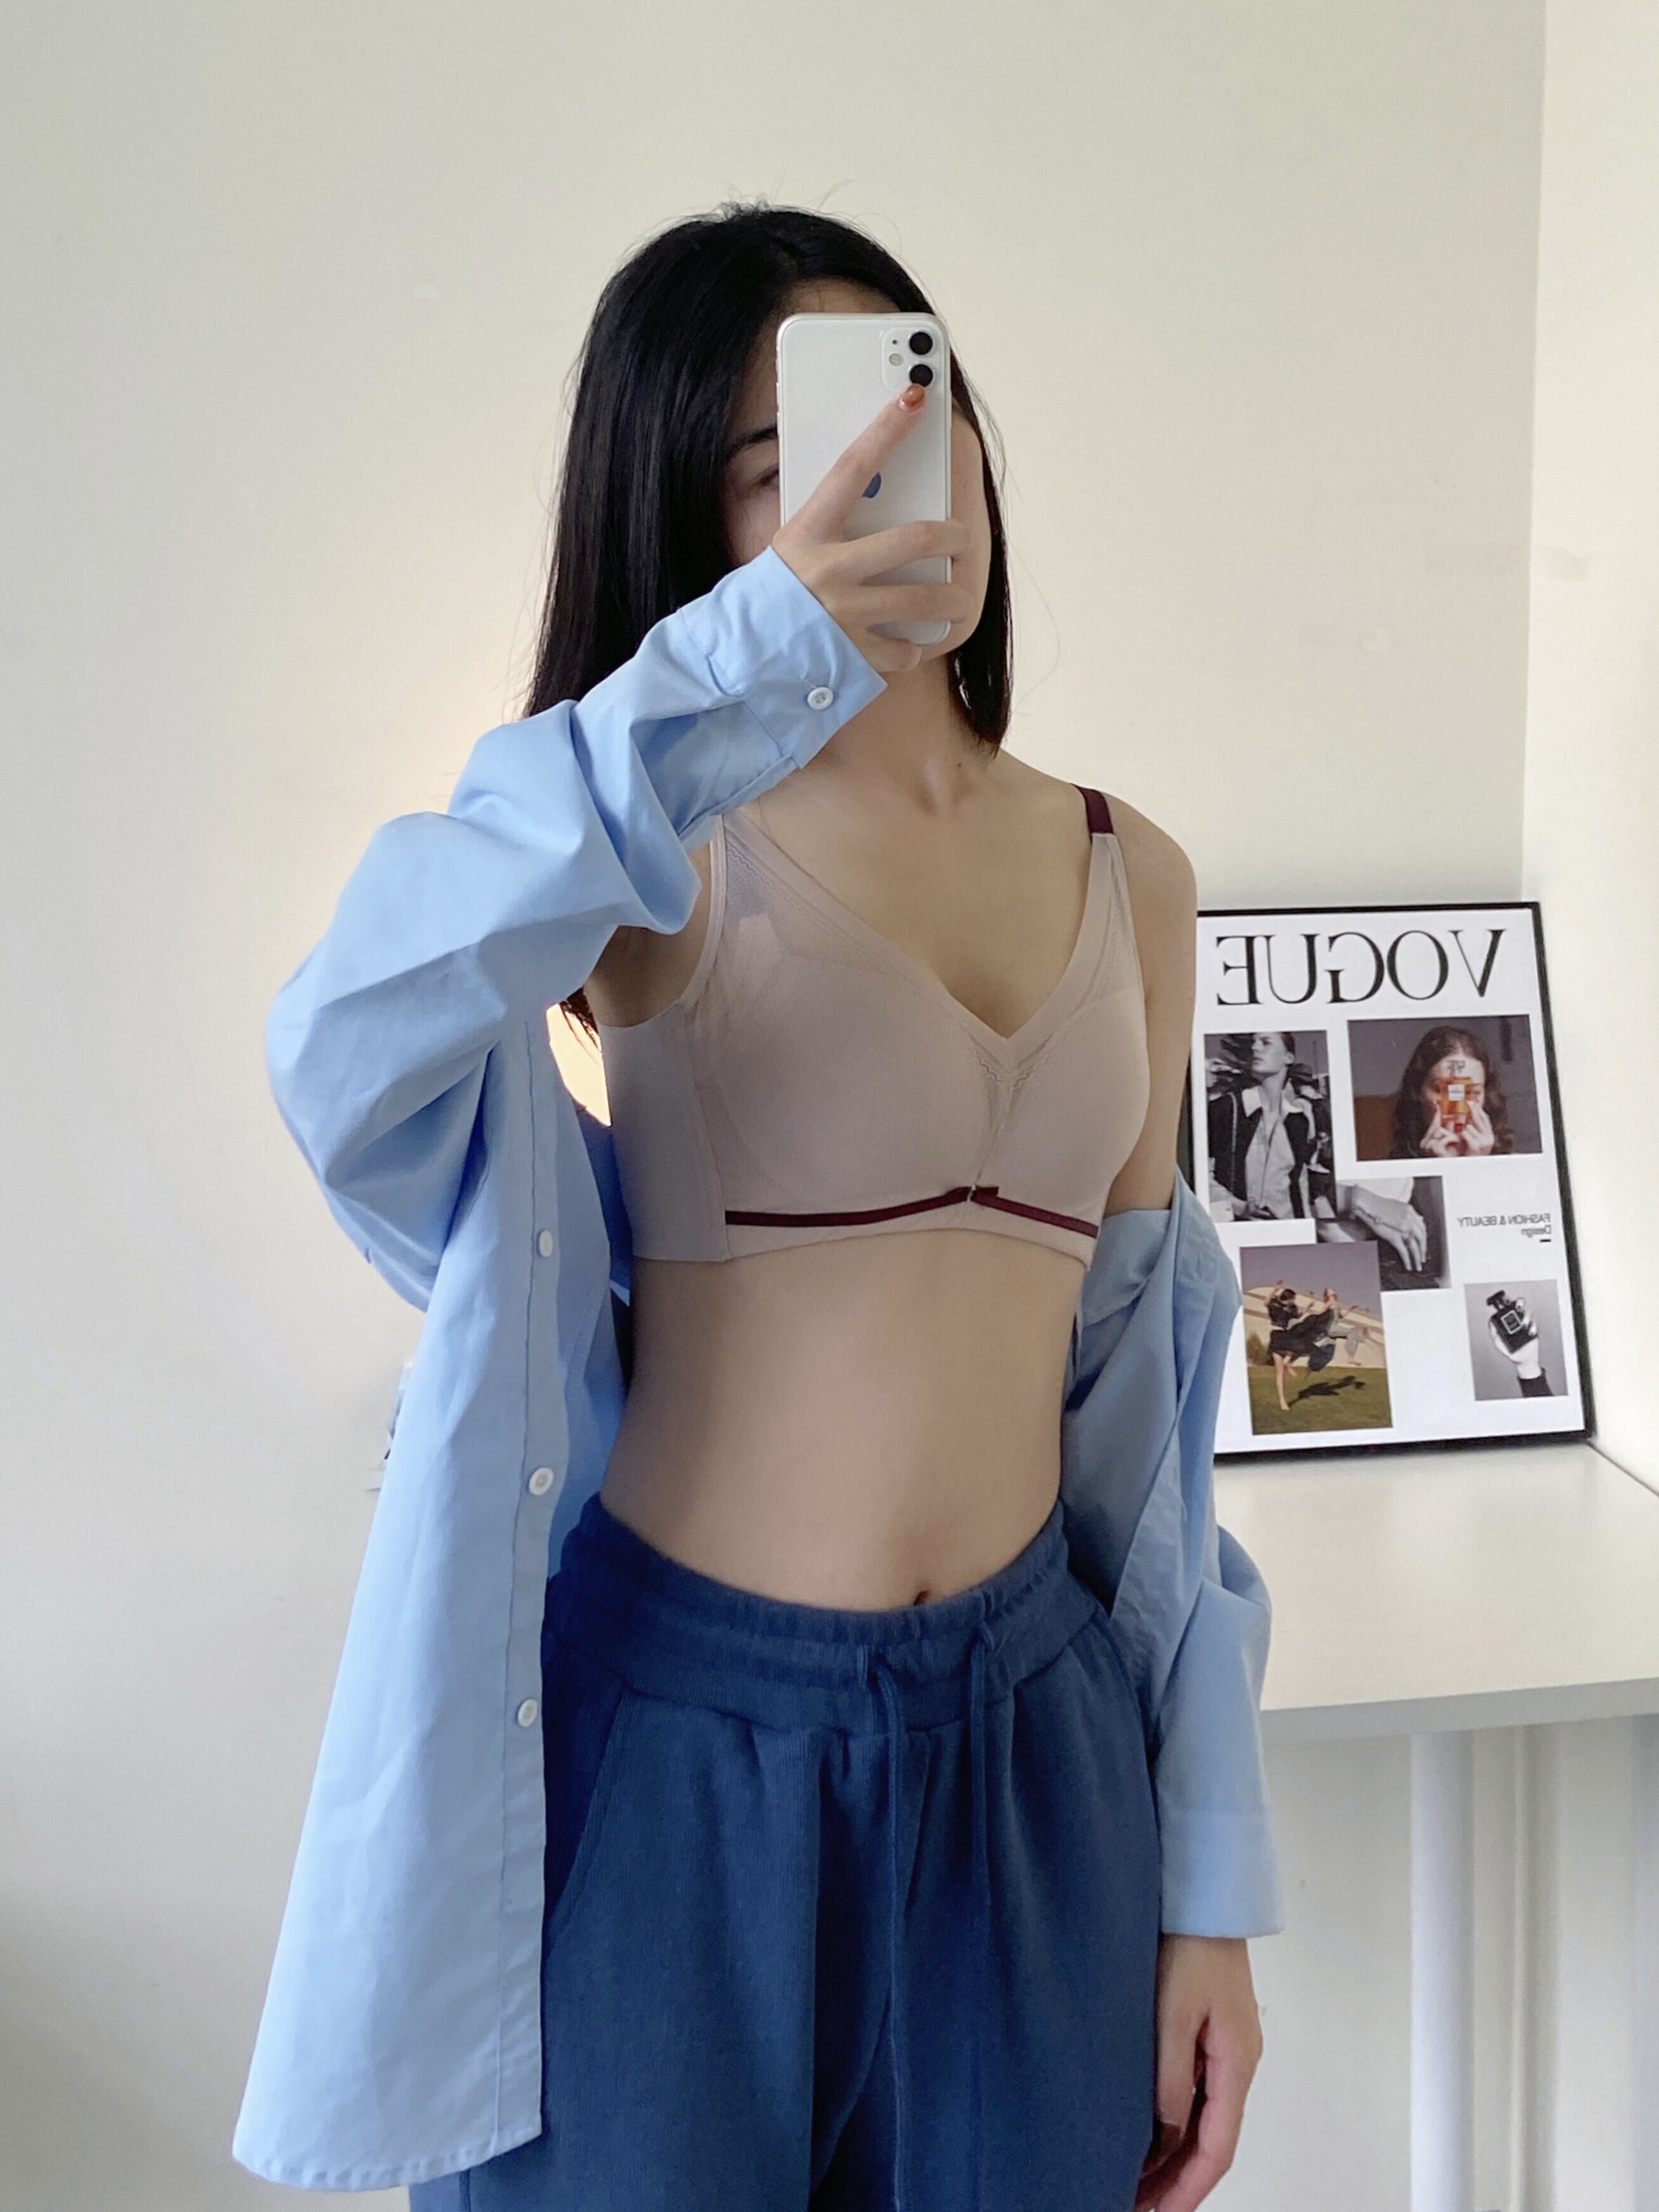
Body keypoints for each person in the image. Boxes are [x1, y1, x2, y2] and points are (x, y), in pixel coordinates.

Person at [234, 205, 1281, 2212]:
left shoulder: (1128, 871)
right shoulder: (641, 849)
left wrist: (1207, 1884)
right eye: (778, 461)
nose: (881, 477)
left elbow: (1143, 1441)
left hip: (1034, 1750)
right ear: (687, 526)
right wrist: (735, 673)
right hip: (674, 1751)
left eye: (911, 412)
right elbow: (341, 1043)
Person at [1206, 1031, 1335, 1222]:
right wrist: (1238, 1206)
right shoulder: (1225, 1109)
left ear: (1288, 1058)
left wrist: (1307, 1228)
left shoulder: (1298, 1120)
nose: (1255, 1048)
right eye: (1253, 1043)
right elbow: (1199, 1176)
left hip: (1287, 1229)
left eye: (1266, 1043)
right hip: (1238, 1229)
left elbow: (1300, 1184)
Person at [1388, 1025, 1516, 1158]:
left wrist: (1479, 1163)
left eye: (1471, 1092)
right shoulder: (1395, 1167)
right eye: (1442, 1091)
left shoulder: (1516, 1165)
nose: (1458, 1108)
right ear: (1418, 1093)